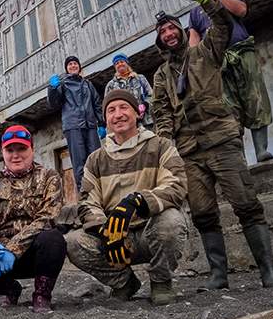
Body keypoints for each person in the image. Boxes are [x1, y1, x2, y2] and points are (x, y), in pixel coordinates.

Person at [152, 0, 273, 291]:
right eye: (162, 32)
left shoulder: (206, 51)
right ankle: (219, 276)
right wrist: (167, 145)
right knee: (203, 214)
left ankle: (268, 272)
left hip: (221, 139)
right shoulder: (161, 75)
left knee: (246, 204)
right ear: (159, 40)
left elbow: (223, 21)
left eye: (171, 28)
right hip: (189, 152)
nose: (168, 33)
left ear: (181, 31)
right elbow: (161, 112)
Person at [66, 90, 188, 305]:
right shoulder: (95, 158)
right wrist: (105, 229)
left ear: (137, 113)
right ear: (106, 119)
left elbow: (176, 185)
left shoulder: (160, 146)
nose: (118, 114)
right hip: (116, 238)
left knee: (172, 221)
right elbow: (87, 200)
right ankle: (124, 283)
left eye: (124, 107)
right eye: (111, 110)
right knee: (74, 242)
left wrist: (138, 201)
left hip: (151, 230)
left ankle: (161, 282)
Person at [0, 125, 66, 312]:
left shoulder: (49, 177)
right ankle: (11, 289)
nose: (15, 155)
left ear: (32, 150)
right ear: (3, 152)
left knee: (53, 238)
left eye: (21, 149)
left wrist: (14, 249)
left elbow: (47, 218)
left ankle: (42, 295)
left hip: (37, 252)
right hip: (3, 258)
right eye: (9, 150)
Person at [187, 0, 273, 162]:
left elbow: (241, 10)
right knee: (228, 108)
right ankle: (239, 159)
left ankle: (261, 150)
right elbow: (193, 43)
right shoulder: (194, 14)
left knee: (255, 97)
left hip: (242, 54)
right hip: (217, 63)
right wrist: (197, 65)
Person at [47, 56, 105, 191]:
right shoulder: (63, 84)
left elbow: (96, 104)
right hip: (73, 126)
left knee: (95, 158)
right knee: (79, 162)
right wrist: (53, 89)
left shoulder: (88, 84)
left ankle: (101, 190)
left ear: (79, 67)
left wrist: (102, 123)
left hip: (90, 125)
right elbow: (54, 104)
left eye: (75, 64)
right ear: (66, 68)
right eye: (70, 64)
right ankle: (84, 194)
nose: (73, 66)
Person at [104, 53, 154, 130]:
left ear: (127, 63)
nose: (120, 64)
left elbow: (151, 95)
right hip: (125, 124)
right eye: (117, 63)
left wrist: (145, 105)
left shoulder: (140, 78)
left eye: (122, 62)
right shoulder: (111, 85)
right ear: (115, 67)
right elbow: (107, 106)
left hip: (145, 122)